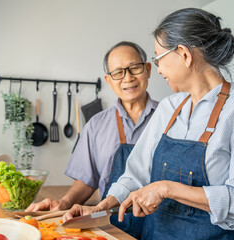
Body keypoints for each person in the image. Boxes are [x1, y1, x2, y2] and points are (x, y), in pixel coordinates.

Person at [63, 8, 234, 240]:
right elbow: (135, 174)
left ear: (184, 54)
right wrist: (101, 207)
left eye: (158, 58)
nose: (159, 69)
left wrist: (165, 188)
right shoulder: (169, 108)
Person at [26, 41, 158, 238]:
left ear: (147, 69)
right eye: (118, 72)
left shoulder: (170, 118)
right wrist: (63, 203)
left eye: (135, 68)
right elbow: (88, 181)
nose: (127, 78)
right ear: (108, 79)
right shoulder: (96, 125)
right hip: (110, 227)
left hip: (159, 227)